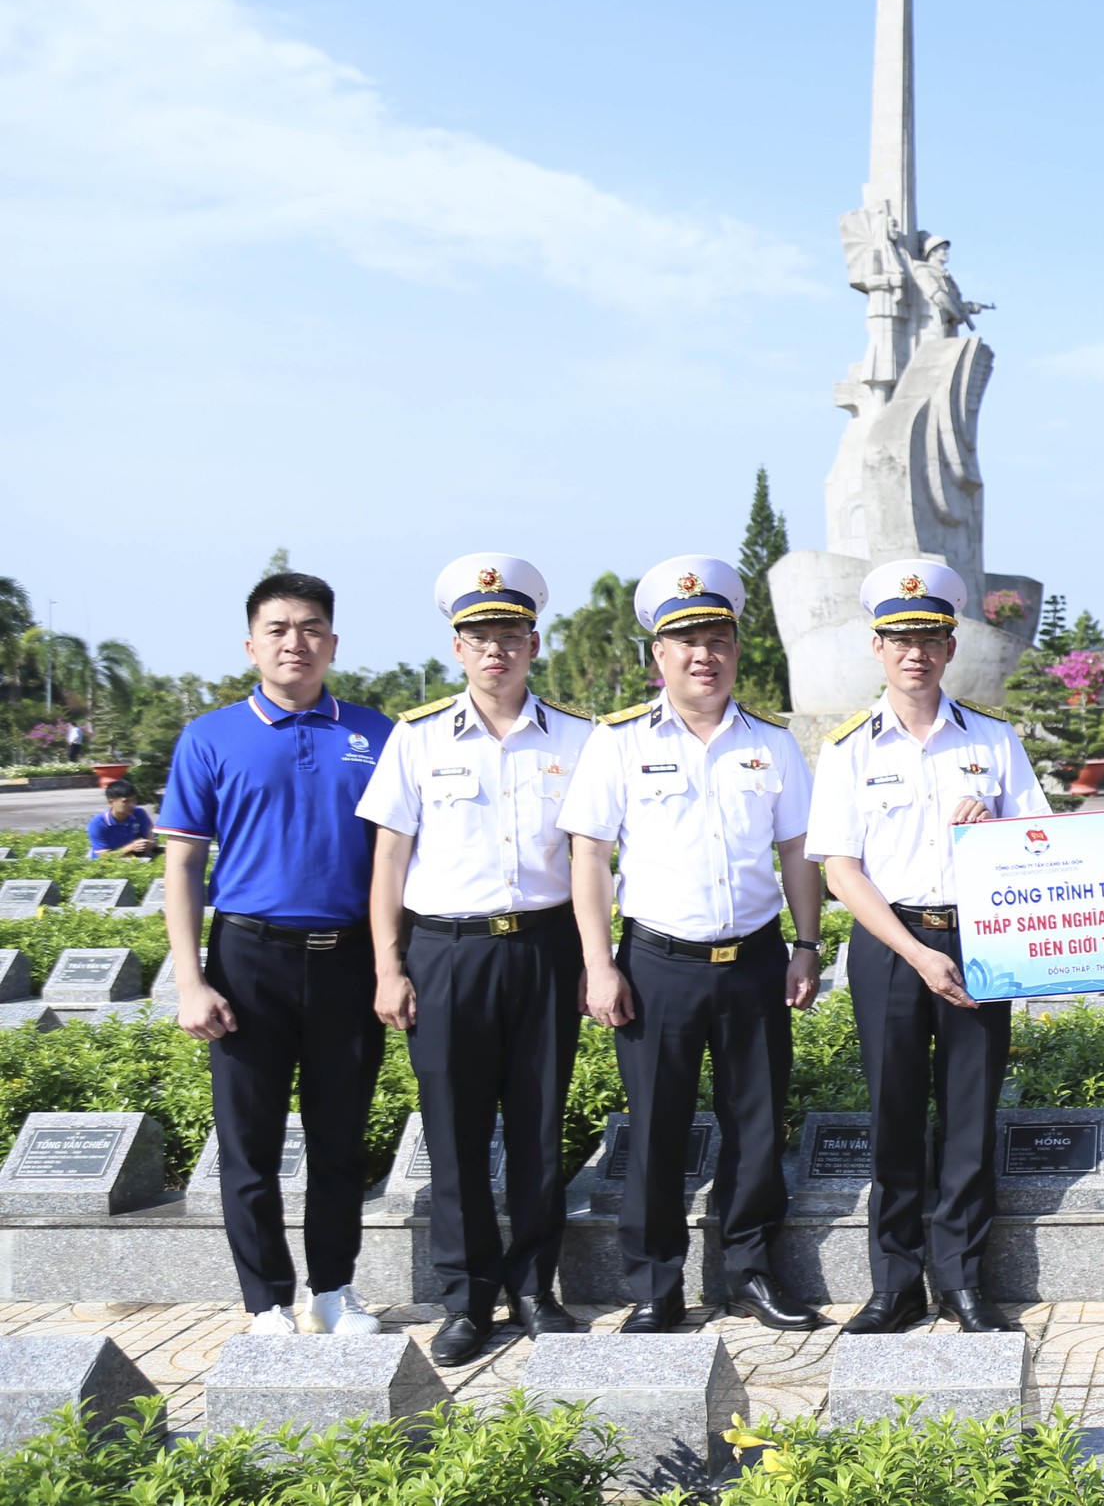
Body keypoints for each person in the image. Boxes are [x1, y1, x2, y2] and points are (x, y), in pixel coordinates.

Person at [560, 555, 827, 1333]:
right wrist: (598, 963)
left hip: (752, 959)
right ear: (659, 656)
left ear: (736, 649)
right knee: (658, 1127)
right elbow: (589, 857)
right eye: (685, 641)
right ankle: (654, 1285)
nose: (702, 654)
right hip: (657, 963)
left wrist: (807, 945)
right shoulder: (616, 743)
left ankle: (749, 1272)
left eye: (716, 638)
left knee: (756, 1121)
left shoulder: (771, 744)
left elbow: (797, 852)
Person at [357, 555, 594, 1364]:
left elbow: (595, 858)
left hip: (544, 945)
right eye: (478, 635)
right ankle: (467, 1299)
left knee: (538, 1125)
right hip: (447, 951)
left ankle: (535, 1288)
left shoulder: (579, 738)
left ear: (535, 642)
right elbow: (389, 860)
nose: (494, 649)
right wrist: (388, 966)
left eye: (509, 634)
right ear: (457, 647)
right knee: (453, 1130)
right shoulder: (417, 736)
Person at [805, 559, 1047, 1336]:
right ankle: (896, 1282)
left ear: (950, 647)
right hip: (890, 947)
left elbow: (1043, 840)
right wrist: (914, 952)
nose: (916, 652)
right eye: (901, 638)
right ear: (877, 647)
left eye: (931, 637)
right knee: (896, 1117)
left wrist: (1001, 829)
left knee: (970, 1120)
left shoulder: (994, 739)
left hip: (982, 938)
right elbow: (840, 870)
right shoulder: (849, 748)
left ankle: (964, 1281)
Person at [157, 571, 394, 1336]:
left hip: (346, 958)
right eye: (280, 628)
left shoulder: (376, 733)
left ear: (332, 640)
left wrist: (393, 965)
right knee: (249, 1144)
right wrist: (191, 981)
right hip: (248, 957)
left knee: (338, 1138)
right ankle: (265, 1301)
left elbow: (398, 861)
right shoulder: (210, 736)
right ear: (252, 643)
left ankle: (334, 1288)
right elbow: (184, 865)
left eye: (312, 627)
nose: (297, 641)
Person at [88, 779, 156, 858]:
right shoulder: (98, 823)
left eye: (134, 800)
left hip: (133, 860)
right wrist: (130, 848)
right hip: (106, 865)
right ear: (111, 802)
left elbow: (151, 838)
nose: (132, 805)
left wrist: (149, 844)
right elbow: (103, 857)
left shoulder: (139, 814)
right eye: (126, 801)